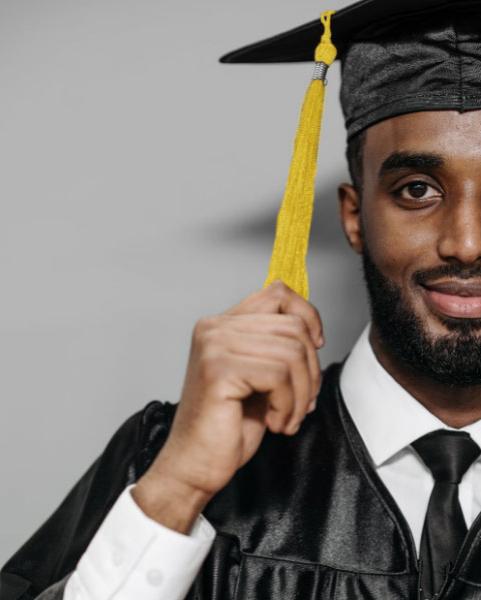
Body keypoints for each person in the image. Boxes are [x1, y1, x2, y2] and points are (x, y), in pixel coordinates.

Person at [3, 0, 481, 598]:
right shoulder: (167, 459)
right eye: (417, 190)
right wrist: (176, 491)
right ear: (354, 218)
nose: (466, 243)